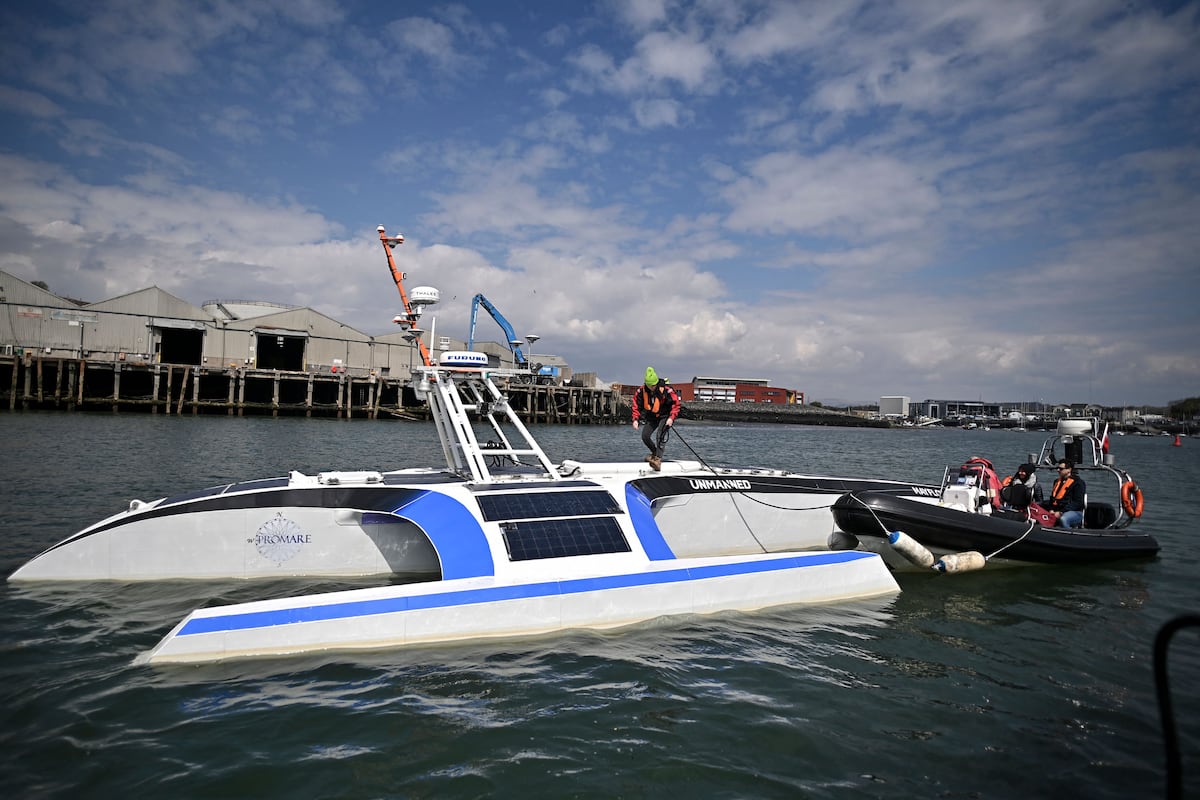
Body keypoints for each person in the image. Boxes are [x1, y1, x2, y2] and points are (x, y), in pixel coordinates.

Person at [631, 366, 679, 471]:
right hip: (652, 417)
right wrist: (635, 419)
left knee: (660, 436)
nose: (652, 388)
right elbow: (636, 405)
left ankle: (657, 459)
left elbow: (675, 404)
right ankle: (654, 453)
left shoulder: (666, 390)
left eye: (654, 385)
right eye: (650, 386)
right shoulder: (641, 391)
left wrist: (671, 418)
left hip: (665, 416)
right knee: (645, 436)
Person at [1047, 460, 1086, 528]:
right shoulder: (1056, 482)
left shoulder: (1078, 483)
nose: (1058, 470)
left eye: (1061, 469)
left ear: (1069, 470)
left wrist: (1061, 512)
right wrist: (1051, 509)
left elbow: (1078, 502)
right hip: (1056, 510)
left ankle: (1069, 535)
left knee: (1063, 519)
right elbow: (1052, 498)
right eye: (1057, 468)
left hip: (1074, 512)